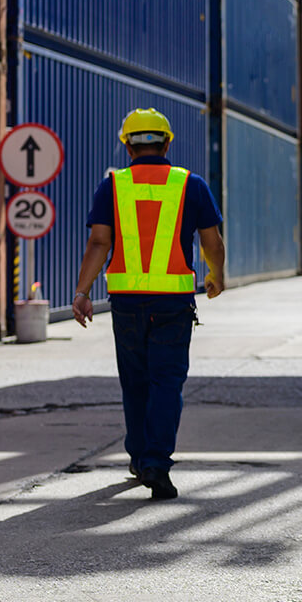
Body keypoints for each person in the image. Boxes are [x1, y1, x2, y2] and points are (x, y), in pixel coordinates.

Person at [72, 108, 226, 501]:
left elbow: (99, 243)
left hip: (126, 304)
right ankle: (156, 461)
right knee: (166, 383)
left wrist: (82, 292)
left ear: (126, 145)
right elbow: (212, 243)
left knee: (135, 383)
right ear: (167, 143)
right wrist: (216, 276)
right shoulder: (191, 185)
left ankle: (139, 457)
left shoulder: (113, 186)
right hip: (172, 303)